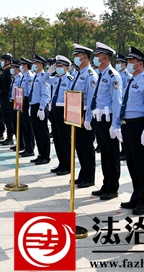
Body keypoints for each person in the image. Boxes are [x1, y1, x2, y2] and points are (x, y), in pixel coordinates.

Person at [116, 47, 144, 215]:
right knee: (132, 163)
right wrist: (118, 124)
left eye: (131, 61)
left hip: (139, 125)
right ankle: (136, 195)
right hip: (128, 125)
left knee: (142, 165)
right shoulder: (131, 80)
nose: (128, 64)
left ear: (140, 64)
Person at [84, 42, 122, 201]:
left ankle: (113, 188)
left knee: (112, 155)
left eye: (98, 55)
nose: (96, 58)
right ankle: (106, 184)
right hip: (99, 119)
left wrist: (116, 124)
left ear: (105, 57)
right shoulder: (101, 74)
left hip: (108, 119)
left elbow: (117, 101)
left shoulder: (114, 75)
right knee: (105, 154)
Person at [71, 44, 98, 188]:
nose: (75, 58)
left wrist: (88, 118)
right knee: (79, 146)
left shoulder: (90, 75)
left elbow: (92, 99)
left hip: (85, 114)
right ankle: (83, 174)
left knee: (86, 147)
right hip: (76, 113)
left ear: (85, 57)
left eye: (77, 55)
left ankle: (89, 177)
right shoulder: (79, 73)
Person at [46, 55, 74, 175]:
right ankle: (61, 163)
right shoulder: (56, 78)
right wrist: (49, 71)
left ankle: (68, 165)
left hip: (64, 110)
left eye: (61, 66)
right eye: (57, 66)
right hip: (54, 110)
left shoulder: (70, 79)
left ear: (67, 68)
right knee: (57, 139)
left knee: (64, 139)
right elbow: (44, 80)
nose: (58, 68)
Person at [29, 54, 51, 165]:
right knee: (37, 132)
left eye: (35, 63)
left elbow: (45, 94)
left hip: (40, 107)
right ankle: (40, 154)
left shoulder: (43, 76)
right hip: (34, 106)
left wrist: (42, 108)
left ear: (40, 65)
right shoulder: (35, 76)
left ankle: (46, 156)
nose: (33, 65)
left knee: (42, 132)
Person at [18, 57, 36, 158]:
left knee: (28, 127)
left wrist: (29, 105)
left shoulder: (29, 76)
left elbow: (29, 92)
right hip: (21, 101)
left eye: (22, 64)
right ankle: (26, 147)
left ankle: (30, 149)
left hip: (26, 101)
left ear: (25, 65)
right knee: (24, 126)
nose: (21, 66)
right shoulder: (24, 76)